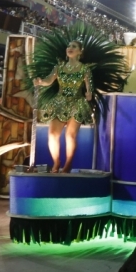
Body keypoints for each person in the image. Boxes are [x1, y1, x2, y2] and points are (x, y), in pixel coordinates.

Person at [32, 41, 94, 173]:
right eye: (68, 46)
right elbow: (49, 80)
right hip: (59, 103)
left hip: (77, 103)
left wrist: (89, 93)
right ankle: (56, 162)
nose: (70, 48)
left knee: (70, 136)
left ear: (80, 52)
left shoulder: (85, 69)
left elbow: (89, 85)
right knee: (53, 135)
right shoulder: (59, 67)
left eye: (74, 47)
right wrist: (40, 81)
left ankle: (68, 164)